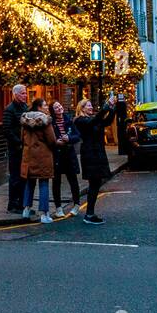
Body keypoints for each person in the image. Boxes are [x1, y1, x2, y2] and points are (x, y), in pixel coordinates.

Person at [76, 94, 117, 224]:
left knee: (96, 183)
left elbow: (107, 121)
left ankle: (90, 213)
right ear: (82, 108)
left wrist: (112, 108)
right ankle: (89, 214)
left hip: (98, 153)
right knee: (94, 184)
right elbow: (94, 121)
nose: (91, 107)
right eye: (88, 105)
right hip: (90, 154)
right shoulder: (80, 120)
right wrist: (105, 107)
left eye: (91, 105)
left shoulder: (93, 119)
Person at [20, 98, 60, 222]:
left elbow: (22, 138)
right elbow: (52, 140)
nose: (47, 107)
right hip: (43, 157)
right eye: (45, 105)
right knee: (43, 183)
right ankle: (44, 214)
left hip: (28, 156)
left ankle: (26, 211)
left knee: (29, 183)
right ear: (39, 107)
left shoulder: (25, 120)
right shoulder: (45, 121)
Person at [50, 100, 81, 219]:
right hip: (57, 155)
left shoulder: (69, 120)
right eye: (56, 107)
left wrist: (69, 138)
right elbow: (48, 138)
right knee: (56, 181)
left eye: (59, 105)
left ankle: (77, 205)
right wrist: (55, 142)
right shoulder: (51, 123)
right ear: (53, 111)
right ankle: (58, 208)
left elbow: (77, 136)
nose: (59, 108)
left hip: (69, 154)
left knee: (73, 179)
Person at [1, 84, 29, 213]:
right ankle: (13, 204)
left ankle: (22, 204)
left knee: (24, 177)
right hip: (15, 149)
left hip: (24, 148)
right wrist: (18, 143)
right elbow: (6, 130)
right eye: (23, 93)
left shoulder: (25, 107)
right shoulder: (9, 109)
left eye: (25, 93)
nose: (25, 95)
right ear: (16, 94)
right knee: (15, 177)